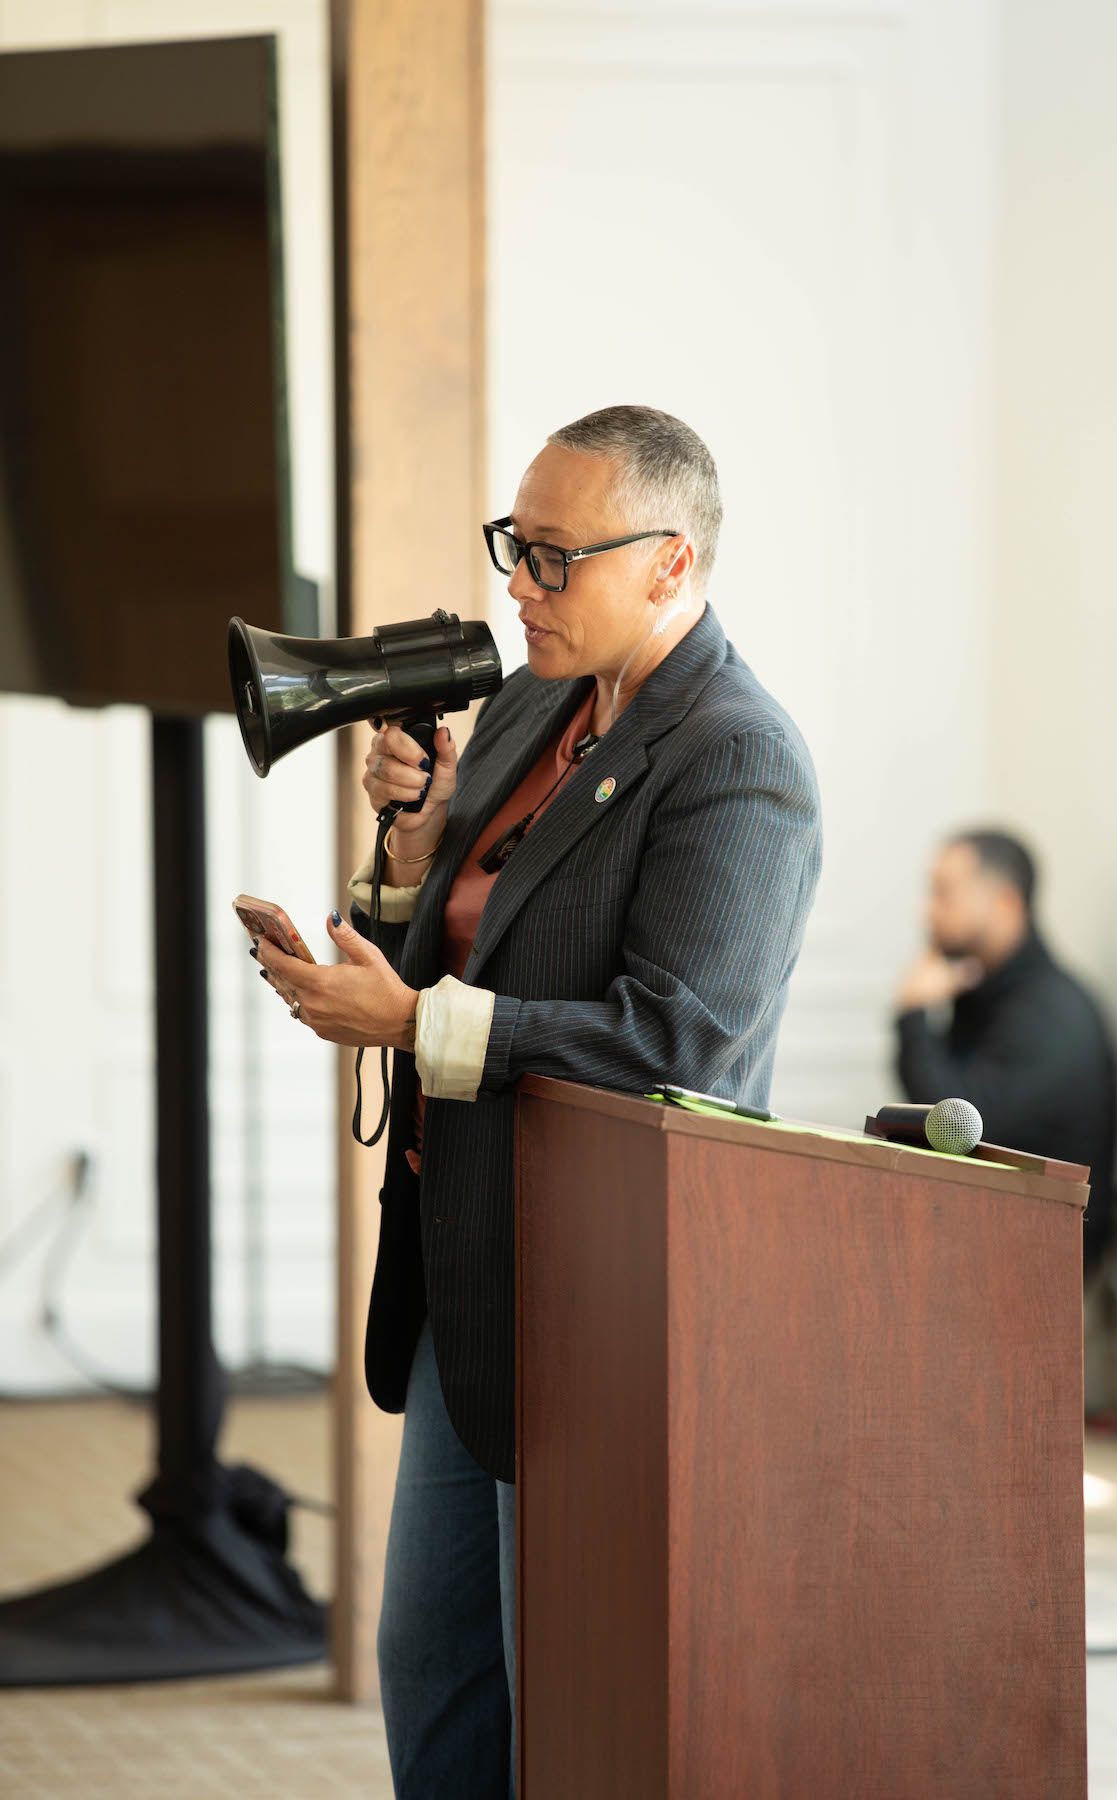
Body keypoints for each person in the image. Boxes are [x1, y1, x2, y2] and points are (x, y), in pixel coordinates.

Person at [254, 404, 822, 1796]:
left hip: (609, 1291)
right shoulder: (529, 704)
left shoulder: (739, 758)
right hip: (476, 1260)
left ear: (672, 566)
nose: (519, 585)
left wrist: (413, 1024)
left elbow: (679, 1042)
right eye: (519, 545)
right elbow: (443, 942)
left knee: (562, 1672)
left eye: (558, 558)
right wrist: (414, 848)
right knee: (434, 1662)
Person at [893, 829, 1117, 1275]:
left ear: (1005, 903)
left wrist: (914, 1019)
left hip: (1041, 1273)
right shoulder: (988, 992)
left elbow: (954, 1131)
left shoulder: (1049, 1013)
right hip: (998, 1245)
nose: (927, 910)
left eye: (944, 894)